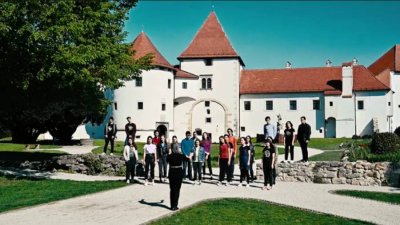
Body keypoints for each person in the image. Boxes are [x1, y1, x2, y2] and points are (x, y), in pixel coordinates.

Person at [167, 135, 185, 211]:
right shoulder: (181, 156)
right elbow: (187, 159)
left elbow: (167, 161)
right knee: (177, 190)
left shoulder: (169, 156)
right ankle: (175, 205)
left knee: (172, 190)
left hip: (172, 173)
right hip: (178, 173)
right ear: (178, 148)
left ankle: (172, 206)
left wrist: (169, 151)